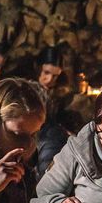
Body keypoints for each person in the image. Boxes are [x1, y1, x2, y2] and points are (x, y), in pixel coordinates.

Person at [33, 46, 69, 179]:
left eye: (55, 76)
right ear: (38, 68)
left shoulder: (56, 92)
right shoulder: (26, 89)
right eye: (46, 73)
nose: (50, 79)